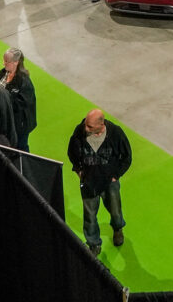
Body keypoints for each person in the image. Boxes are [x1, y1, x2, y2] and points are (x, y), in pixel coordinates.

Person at [67, 109, 133, 257]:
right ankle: (94, 244)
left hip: (109, 182)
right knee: (89, 216)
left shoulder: (115, 133)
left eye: (90, 126)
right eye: (86, 124)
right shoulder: (79, 132)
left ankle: (117, 229)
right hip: (88, 182)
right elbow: (72, 152)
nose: (85, 128)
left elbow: (127, 156)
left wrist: (116, 175)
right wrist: (79, 171)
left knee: (115, 211)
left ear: (101, 125)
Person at [0, 47, 37, 152]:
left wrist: (4, 102)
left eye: (7, 61)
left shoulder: (24, 81)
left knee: (21, 148)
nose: (4, 63)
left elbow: (22, 103)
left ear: (16, 62)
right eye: (4, 60)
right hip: (5, 120)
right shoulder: (2, 73)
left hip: (20, 124)